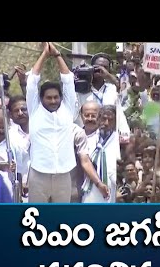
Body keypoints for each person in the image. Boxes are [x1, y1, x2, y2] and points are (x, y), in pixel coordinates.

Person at [26, 42, 104, 203]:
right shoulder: (35, 110)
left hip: (64, 174)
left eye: (56, 97)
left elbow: (68, 80)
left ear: (61, 98)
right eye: (49, 97)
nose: (53, 100)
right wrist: (44, 55)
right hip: (38, 173)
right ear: (41, 99)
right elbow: (32, 81)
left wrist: (57, 55)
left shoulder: (67, 110)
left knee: (61, 216)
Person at [81, 105, 120, 203]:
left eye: (110, 120)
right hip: (92, 189)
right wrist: (99, 184)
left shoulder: (119, 142)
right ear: (98, 119)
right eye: (103, 119)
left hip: (113, 190)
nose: (106, 123)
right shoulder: (87, 140)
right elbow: (85, 163)